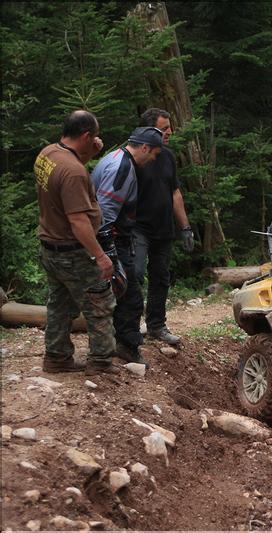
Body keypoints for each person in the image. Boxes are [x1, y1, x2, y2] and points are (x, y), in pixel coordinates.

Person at [34, 110, 118, 375]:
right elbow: (79, 222)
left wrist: (90, 153)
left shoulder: (48, 154)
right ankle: (102, 361)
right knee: (100, 304)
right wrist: (100, 256)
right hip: (73, 251)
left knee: (59, 304)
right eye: (92, 137)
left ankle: (56, 357)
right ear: (85, 135)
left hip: (50, 246)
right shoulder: (74, 172)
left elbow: (69, 172)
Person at [91, 126, 163, 367]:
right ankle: (126, 346)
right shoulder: (122, 168)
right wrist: (108, 253)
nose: (153, 159)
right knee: (130, 296)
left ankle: (112, 344)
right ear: (144, 147)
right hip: (112, 240)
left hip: (111, 239)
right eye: (154, 154)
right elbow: (105, 213)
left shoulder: (112, 156)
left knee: (119, 294)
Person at [133, 108, 193, 346]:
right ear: (150, 130)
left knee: (160, 277)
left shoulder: (167, 156)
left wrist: (185, 227)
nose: (170, 132)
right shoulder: (135, 156)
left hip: (163, 228)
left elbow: (174, 191)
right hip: (137, 227)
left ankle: (156, 325)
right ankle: (130, 325)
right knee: (135, 274)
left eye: (170, 127)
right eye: (164, 128)